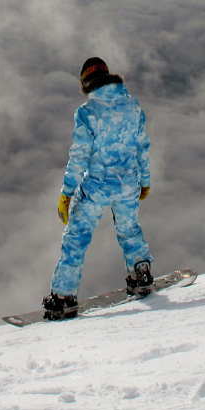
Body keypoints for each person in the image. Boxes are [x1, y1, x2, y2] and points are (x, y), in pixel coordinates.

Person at [43, 57, 154, 320]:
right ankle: (141, 275)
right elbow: (142, 147)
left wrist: (66, 193)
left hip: (96, 187)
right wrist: (145, 181)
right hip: (128, 183)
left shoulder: (87, 113)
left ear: (86, 83)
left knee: (76, 240)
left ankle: (63, 297)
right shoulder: (132, 106)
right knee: (129, 230)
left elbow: (79, 156)